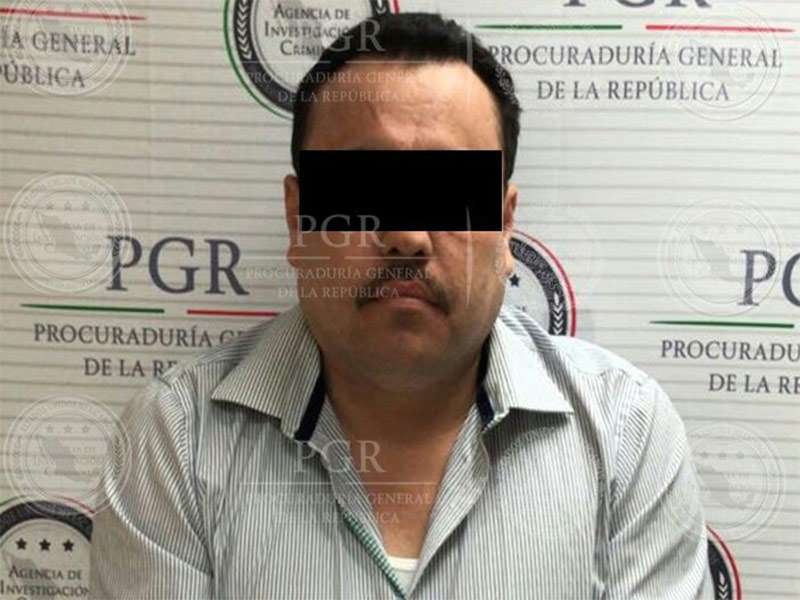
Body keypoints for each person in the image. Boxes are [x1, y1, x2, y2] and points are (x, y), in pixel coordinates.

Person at [89, 12, 712, 599]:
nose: (407, 236)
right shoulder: (176, 440)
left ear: (505, 226)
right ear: (298, 219)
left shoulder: (625, 434)